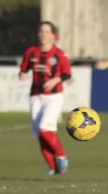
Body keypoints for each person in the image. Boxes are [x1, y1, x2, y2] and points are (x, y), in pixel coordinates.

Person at [19, 21, 72, 176]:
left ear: (52, 35)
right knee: (39, 134)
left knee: (45, 129)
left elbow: (67, 73)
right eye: (41, 31)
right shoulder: (31, 52)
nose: (43, 35)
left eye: (47, 32)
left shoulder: (59, 54)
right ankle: (53, 167)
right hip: (35, 96)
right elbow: (24, 68)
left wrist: (55, 80)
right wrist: (22, 74)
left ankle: (62, 156)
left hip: (54, 97)